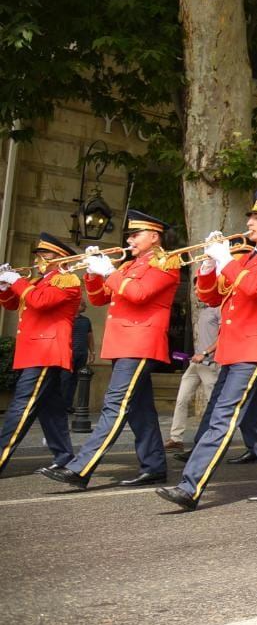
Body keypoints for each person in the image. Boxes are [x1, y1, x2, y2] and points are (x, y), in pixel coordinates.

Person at [155, 191, 257, 510]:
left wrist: (224, 259)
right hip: (234, 349)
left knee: (221, 416)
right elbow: (210, 297)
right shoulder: (245, 260)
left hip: (254, 348)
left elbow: (253, 287)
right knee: (255, 420)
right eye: (250, 217)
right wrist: (208, 263)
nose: (249, 222)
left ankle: (190, 486)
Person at [42, 210, 179, 490]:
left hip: (141, 343)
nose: (129, 239)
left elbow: (138, 295)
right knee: (140, 409)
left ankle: (81, 467)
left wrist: (109, 271)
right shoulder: (128, 266)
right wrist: (93, 274)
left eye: (135, 234)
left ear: (154, 236)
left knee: (114, 406)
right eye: (129, 234)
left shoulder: (166, 262)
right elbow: (99, 298)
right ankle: (154, 466)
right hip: (124, 343)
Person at [0, 234, 80, 475]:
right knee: (50, 408)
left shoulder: (67, 280)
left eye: (47, 255)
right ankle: (64, 457)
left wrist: (16, 281)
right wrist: (5, 287)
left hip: (46, 351)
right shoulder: (38, 281)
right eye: (39, 254)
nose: (40, 259)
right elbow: (13, 305)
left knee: (21, 407)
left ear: (61, 258)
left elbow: (40, 302)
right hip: (36, 350)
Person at [167, 297, 218, 451]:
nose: (197, 292)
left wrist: (204, 353)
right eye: (195, 289)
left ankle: (214, 440)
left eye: (199, 288)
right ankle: (176, 439)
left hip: (210, 364)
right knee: (182, 399)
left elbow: (224, 338)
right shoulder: (202, 311)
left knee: (214, 405)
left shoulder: (220, 309)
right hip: (195, 364)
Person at [62, 302, 94, 418]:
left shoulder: (86, 320)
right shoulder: (66, 318)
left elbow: (90, 336)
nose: (85, 307)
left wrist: (92, 351)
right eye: (83, 305)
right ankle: (61, 405)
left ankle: (68, 405)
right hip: (68, 353)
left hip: (82, 353)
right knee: (65, 379)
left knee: (75, 380)